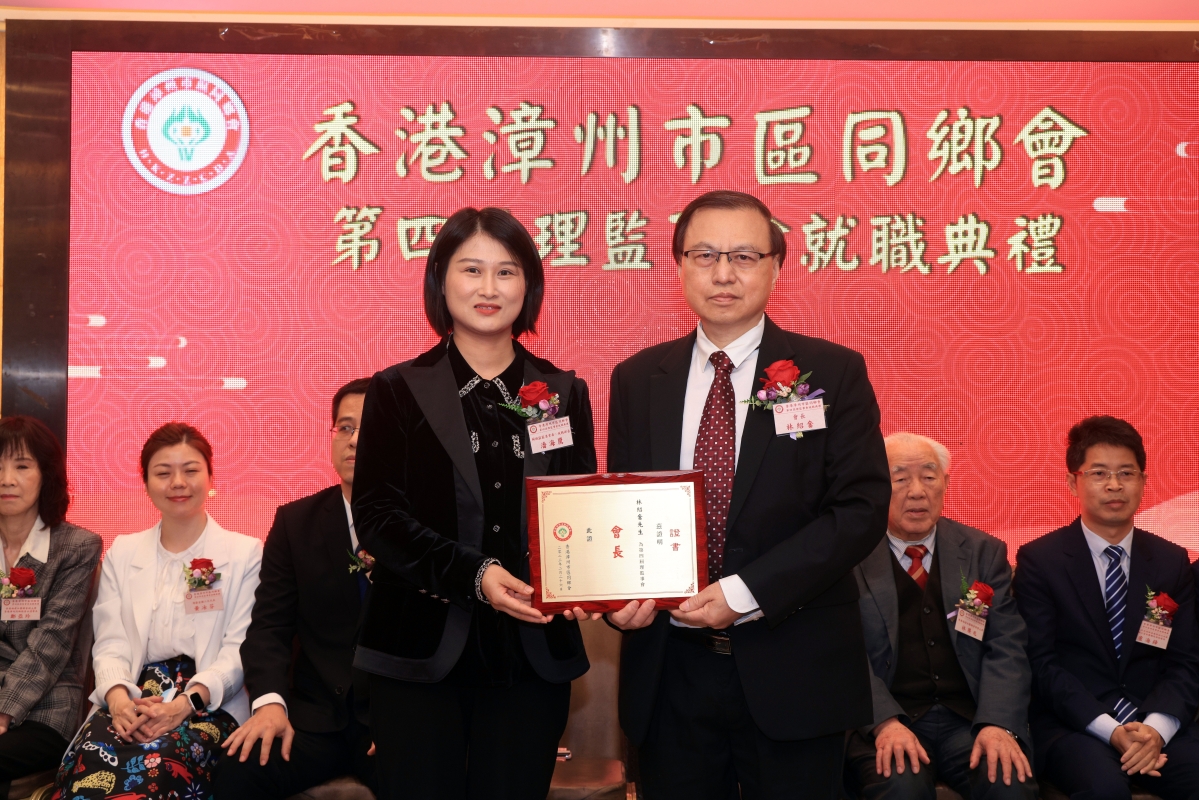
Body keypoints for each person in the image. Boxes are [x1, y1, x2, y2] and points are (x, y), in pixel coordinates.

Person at [605, 189, 891, 798]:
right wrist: (618, 597)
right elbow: (624, 508)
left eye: (744, 256)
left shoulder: (832, 371)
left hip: (794, 665)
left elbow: (860, 510)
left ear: (776, 266)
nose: (723, 273)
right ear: (679, 265)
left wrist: (744, 592)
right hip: (670, 670)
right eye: (705, 255)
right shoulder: (637, 379)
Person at [351, 206, 598, 800]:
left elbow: (579, 510)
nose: (489, 288)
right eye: (471, 270)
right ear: (440, 281)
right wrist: (476, 573)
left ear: (529, 286)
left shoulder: (562, 392)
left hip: (531, 656)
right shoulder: (396, 390)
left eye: (506, 272)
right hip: (418, 653)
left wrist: (589, 583)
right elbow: (378, 517)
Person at [55, 423, 262, 800]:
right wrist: (119, 701)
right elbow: (110, 642)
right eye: (163, 473)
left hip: (207, 700)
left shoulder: (245, 553)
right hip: (135, 694)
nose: (177, 483)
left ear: (211, 476)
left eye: (191, 470)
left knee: (164, 763)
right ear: (146, 482)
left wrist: (185, 704)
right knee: (93, 757)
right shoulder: (123, 552)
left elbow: (240, 650)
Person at [1015, 415, 1199, 799]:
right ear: (1073, 483)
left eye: (1126, 473)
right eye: (1099, 473)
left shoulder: (1171, 561)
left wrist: (1155, 729)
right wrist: (1110, 729)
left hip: (1153, 724)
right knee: (1104, 789)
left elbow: (1186, 661)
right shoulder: (1040, 560)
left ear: (1144, 481)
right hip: (1076, 726)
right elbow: (1042, 664)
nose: (1114, 485)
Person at [845, 432, 1036, 800]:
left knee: (1008, 783)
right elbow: (842, 654)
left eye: (929, 477)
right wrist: (884, 722)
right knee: (901, 787)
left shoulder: (983, 551)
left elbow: (1007, 646)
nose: (917, 492)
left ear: (946, 484)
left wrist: (997, 723)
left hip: (970, 720)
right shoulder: (849, 557)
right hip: (890, 720)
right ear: (876, 486)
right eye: (901, 478)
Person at [215, 379, 376, 797]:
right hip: (314, 720)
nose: (354, 440)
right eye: (345, 427)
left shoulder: (426, 527)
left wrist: (411, 719)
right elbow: (269, 628)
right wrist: (269, 703)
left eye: (370, 428)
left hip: (393, 720)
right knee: (240, 768)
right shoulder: (295, 522)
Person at [0, 417, 101, 782]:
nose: (6, 479)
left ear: (47, 474)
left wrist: (4, 712)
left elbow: (51, 643)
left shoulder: (77, 546)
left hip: (46, 704)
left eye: (22, 466)